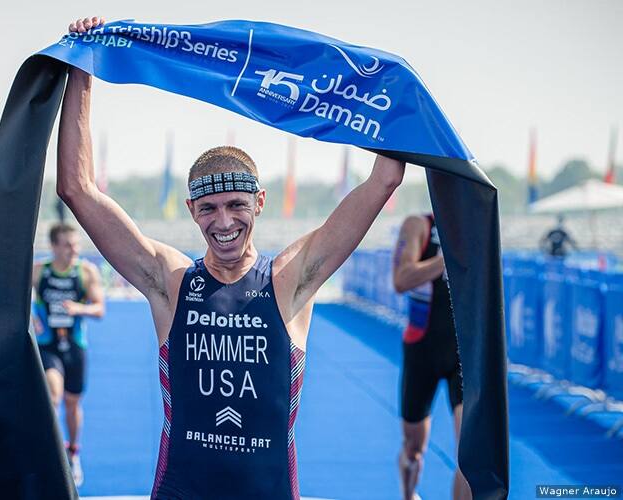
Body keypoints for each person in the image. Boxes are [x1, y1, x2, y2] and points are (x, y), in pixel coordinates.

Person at [57, 16, 404, 499]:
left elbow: (384, 180)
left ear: (259, 203)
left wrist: (384, 90)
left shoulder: (290, 279)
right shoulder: (170, 282)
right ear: (192, 211)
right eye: (209, 209)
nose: (224, 222)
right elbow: (77, 189)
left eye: (237, 205)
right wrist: (82, 68)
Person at [392, 214, 470, 500]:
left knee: (469, 452)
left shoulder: (476, 224)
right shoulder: (418, 225)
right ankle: (408, 494)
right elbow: (401, 279)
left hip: (464, 352)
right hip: (422, 347)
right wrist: (445, 258)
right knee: (414, 447)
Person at [32, 223, 105, 487]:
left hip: (75, 346)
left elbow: (99, 309)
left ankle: (73, 451)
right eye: (67, 245)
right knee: (53, 395)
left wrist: (78, 309)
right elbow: (12, 300)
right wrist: (31, 318)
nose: (73, 249)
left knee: (73, 403)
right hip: (48, 345)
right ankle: (51, 452)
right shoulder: (39, 271)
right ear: (53, 246)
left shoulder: (86, 272)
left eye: (76, 244)